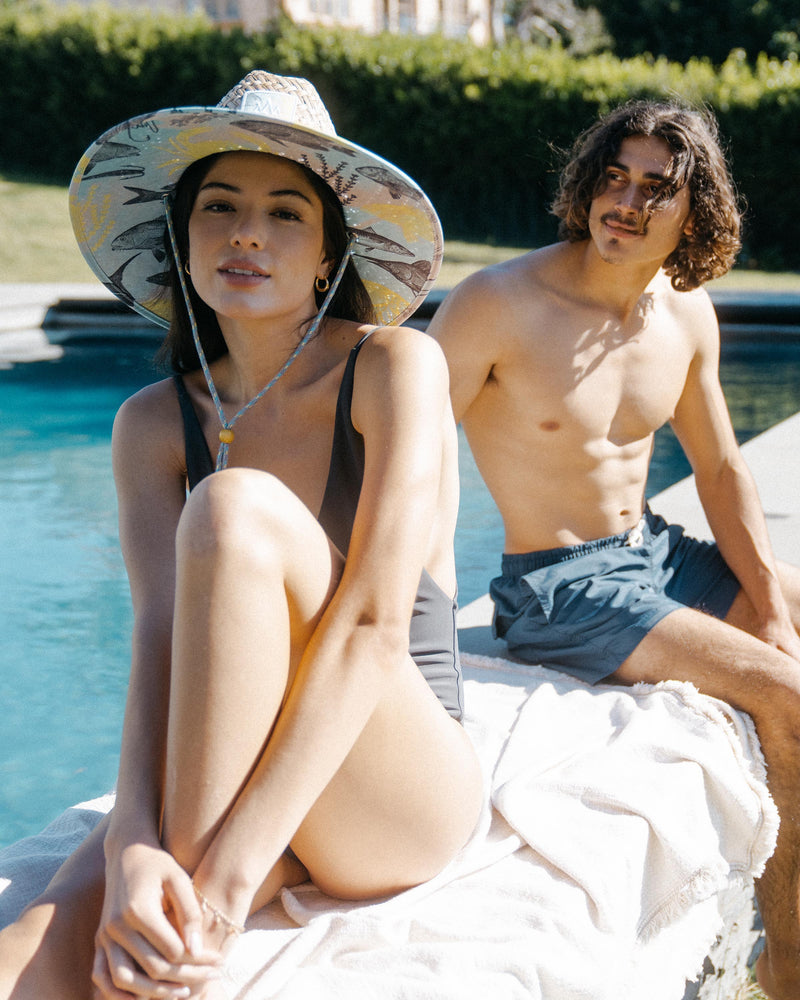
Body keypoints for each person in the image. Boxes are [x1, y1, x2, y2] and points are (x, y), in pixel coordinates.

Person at [0, 71, 482, 1000]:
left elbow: (376, 628)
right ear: (181, 241)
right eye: (217, 206)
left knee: (234, 508)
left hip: (389, 783)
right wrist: (135, 842)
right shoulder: (152, 424)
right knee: (38, 935)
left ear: (329, 255)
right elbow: (156, 642)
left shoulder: (394, 367)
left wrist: (215, 888)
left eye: (284, 212)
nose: (247, 233)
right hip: (227, 770)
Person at [429, 99, 800, 999]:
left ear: (694, 212)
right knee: (787, 699)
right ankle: (787, 966)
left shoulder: (684, 311)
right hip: (560, 587)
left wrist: (775, 611)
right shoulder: (497, 305)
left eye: (655, 189)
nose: (624, 202)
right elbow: (401, 463)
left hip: (657, 553)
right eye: (614, 177)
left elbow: (721, 475)